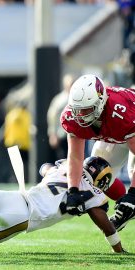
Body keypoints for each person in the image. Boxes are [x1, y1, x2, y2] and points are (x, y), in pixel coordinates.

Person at [60, 74, 135, 231]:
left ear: (100, 102)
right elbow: (75, 156)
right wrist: (73, 190)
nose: (81, 115)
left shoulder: (121, 112)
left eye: (86, 109)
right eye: (77, 110)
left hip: (128, 127)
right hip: (117, 133)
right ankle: (125, 209)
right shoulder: (73, 116)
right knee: (95, 173)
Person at [47, 74, 74, 160]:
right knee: (64, 159)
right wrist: (53, 134)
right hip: (62, 135)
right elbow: (52, 116)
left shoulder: (77, 97)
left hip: (76, 133)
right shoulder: (60, 100)